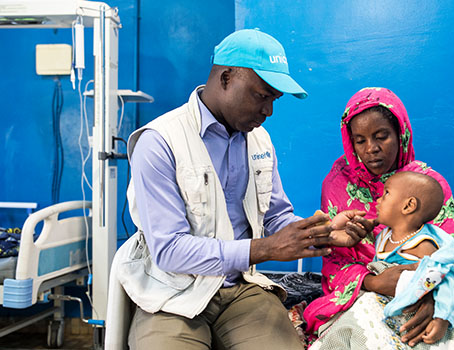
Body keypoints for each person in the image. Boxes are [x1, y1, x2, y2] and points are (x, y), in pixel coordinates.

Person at [113, 29, 369, 350]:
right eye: (262, 96)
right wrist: (266, 249)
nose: (269, 111)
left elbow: (277, 218)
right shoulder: (159, 142)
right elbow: (169, 251)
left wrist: (322, 233)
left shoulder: (258, 140)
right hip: (172, 294)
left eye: (274, 100)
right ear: (225, 78)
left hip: (239, 289)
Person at [303, 87, 454, 349]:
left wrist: (428, 295)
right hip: (364, 292)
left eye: (381, 136)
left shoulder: (427, 186)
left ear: (401, 134)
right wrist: (374, 283)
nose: (371, 149)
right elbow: (335, 262)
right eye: (359, 140)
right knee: (357, 336)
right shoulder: (338, 183)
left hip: (434, 290)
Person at [371, 171, 454, 344]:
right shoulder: (384, 235)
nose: (378, 200)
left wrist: (442, 318)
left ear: (408, 206)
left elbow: (447, 279)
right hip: (385, 299)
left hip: (414, 307)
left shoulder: (422, 245)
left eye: (386, 194)